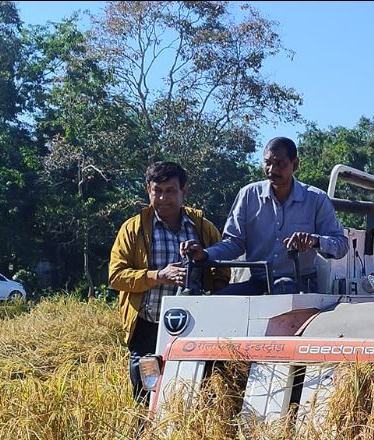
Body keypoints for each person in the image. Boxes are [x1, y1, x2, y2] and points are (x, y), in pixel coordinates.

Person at [108, 161, 228, 402]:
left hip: (195, 329)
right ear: (148, 190)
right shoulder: (133, 229)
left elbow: (222, 272)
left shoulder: (202, 228)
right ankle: (145, 436)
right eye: (157, 191)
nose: (163, 198)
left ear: (184, 191)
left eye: (170, 191)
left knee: (198, 389)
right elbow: (116, 276)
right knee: (147, 392)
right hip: (148, 327)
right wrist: (158, 276)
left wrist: (204, 264)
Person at [180, 137, 347, 294]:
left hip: (300, 285)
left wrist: (314, 240)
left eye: (280, 164)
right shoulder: (248, 194)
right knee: (217, 302)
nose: (272, 170)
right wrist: (205, 254)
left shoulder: (316, 199)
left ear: (295, 164)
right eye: (267, 163)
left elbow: (341, 246)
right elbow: (234, 242)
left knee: (282, 290)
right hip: (258, 283)